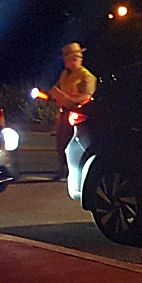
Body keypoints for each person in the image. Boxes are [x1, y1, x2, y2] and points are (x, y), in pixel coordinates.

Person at [50, 43, 97, 181]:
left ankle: (74, 171)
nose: (64, 61)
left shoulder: (87, 77)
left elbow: (86, 97)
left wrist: (67, 98)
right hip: (64, 113)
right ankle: (62, 169)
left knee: (75, 144)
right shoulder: (65, 74)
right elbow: (59, 89)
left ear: (75, 59)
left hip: (79, 115)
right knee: (61, 142)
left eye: (66, 58)